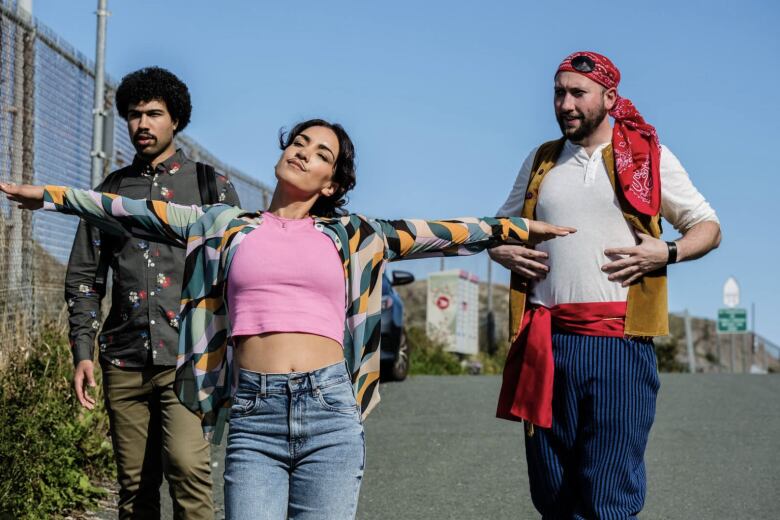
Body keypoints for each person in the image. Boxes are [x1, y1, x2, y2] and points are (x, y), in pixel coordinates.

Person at [2, 118, 573, 519]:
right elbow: (122, 209)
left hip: (330, 410)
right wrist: (46, 196)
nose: (303, 151)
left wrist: (521, 229)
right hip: (253, 411)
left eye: (320, 152)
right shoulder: (223, 225)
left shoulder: (353, 235)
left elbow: (446, 232)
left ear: (331, 183)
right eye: (299, 141)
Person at [489, 51, 721, 519]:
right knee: (553, 490)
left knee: (611, 490)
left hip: (620, 343)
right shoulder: (541, 161)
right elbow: (499, 228)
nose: (565, 104)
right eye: (559, 93)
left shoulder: (646, 156)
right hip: (547, 342)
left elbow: (707, 225)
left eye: (578, 93)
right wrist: (502, 249)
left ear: (609, 97)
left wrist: (668, 251)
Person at [66, 67, 240, 519]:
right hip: (122, 360)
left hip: (188, 359)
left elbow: (237, 273)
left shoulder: (211, 188)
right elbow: (85, 276)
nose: (142, 124)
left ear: (175, 120)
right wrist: (82, 350)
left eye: (154, 114)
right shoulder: (110, 192)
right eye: (134, 115)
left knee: (188, 472)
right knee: (134, 490)